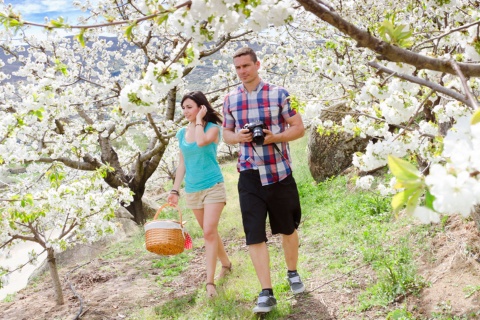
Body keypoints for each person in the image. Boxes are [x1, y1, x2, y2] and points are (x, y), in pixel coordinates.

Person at [222, 47, 306, 313]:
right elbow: (226, 133)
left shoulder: (281, 94)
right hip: (248, 174)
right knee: (254, 235)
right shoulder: (230, 99)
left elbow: (298, 128)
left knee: (288, 228)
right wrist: (239, 137)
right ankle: (266, 292)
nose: (242, 71)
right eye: (237, 67)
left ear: (258, 64)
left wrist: (274, 137)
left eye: (246, 66)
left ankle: (292, 272)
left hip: (279, 172)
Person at [167, 91, 232, 298]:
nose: (186, 111)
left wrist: (198, 121)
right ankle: (227, 264)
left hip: (213, 185)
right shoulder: (181, 134)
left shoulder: (212, 129)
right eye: (183, 108)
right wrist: (175, 190)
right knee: (209, 231)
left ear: (201, 108)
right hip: (193, 191)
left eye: (190, 107)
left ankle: (210, 282)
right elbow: (183, 163)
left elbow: (202, 142)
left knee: (208, 232)